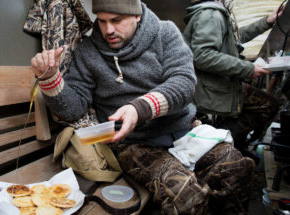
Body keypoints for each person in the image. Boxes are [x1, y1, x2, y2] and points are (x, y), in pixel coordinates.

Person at [31, 0, 255, 214]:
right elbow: (73, 108)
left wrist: (140, 108)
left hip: (183, 131)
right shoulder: (89, 51)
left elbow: (185, 82)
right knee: (183, 193)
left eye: (117, 20)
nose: (108, 29)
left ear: (137, 15)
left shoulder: (165, 33)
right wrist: (51, 80)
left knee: (236, 166)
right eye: (102, 20)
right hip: (133, 143)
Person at [183, 0, 282, 156]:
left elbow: (233, 39)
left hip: (216, 84)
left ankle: (229, 145)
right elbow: (202, 56)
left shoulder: (215, 13)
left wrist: (267, 22)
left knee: (266, 104)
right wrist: (247, 69)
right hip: (211, 87)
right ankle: (216, 143)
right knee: (267, 106)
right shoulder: (211, 14)